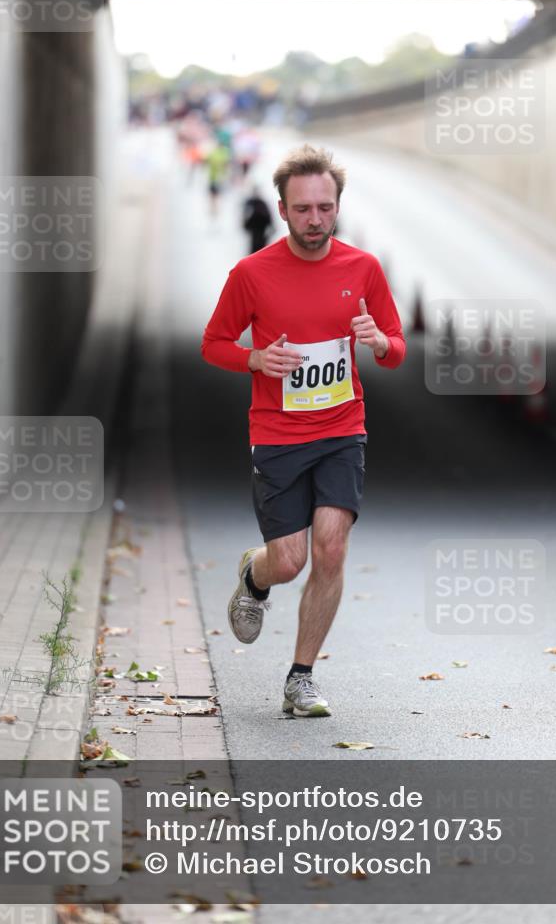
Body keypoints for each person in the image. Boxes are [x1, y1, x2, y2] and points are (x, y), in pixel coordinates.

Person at [201, 144, 406, 717]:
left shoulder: (362, 268)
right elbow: (213, 343)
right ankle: (254, 574)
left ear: (337, 206)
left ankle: (301, 677)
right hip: (278, 435)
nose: (315, 219)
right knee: (288, 561)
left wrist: (379, 342)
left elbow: (396, 350)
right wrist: (255, 360)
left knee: (332, 549)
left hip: (343, 428)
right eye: (303, 209)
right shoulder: (252, 273)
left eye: (325, 207)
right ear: (283, 209)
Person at [242, 188, 273, 253]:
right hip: (255, 231)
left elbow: (268, 217)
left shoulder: (261, 203)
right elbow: (246, 216)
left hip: (261, 231)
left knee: (260, 249)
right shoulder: (251, 203)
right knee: (256, 248)